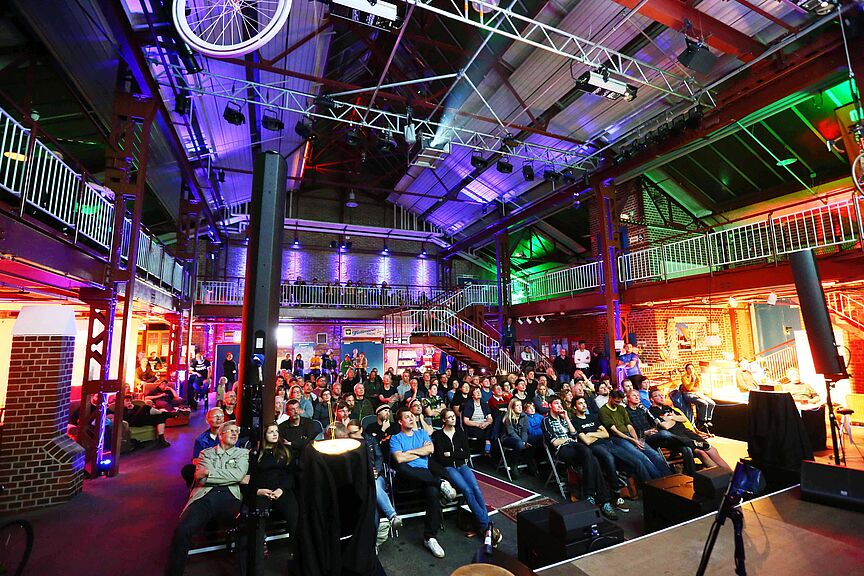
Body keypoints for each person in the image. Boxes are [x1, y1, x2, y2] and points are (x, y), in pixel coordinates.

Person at [165, 422, 248, 576]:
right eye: (230, 431)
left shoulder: (242, 454)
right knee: (182, 530)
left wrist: (209, 473)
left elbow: (238, 474)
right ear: (221, 435)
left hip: (229, 495)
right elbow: (201, 479)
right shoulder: (206, 453)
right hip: (204, 495)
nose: (235, 434)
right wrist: (233, 476)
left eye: (237, 432)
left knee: (245, 528)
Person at [390, 407, 457, 559]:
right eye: (407, 417)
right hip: (407, 479)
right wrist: (420, 451)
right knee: (402, 467)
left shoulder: (421, 433)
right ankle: (440, 484)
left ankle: (430, 538)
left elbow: (430, 449)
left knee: (432, 492)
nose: (411, 418)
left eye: (412, 416)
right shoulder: (396, 438)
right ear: (400, 421)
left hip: (425, 474)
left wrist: (409, 452)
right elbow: (399, 459)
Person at [542, 398, 618, 520]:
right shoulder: (546, 421)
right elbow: (555, 442)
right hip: (563, 449)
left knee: (593, 459)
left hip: (575, 446)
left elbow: (574, 434)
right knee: (589, 454)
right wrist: (569, 440)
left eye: (560, 403)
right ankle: (603, 500)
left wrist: (566, 417)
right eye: (556, 403)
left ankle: (592, 496)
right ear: (550, 406)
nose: (559, 405)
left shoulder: (564, 418)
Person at [432, 409, 495, 539]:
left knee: (476, 488)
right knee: (467, 490)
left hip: (462, 465)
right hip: (449, 468)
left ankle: (484, 524)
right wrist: (455, 455)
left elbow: (466, 453)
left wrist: (452, 454)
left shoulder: (460, 432)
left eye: (453, 417)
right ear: (443, 420)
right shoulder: (438, 435)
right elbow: (440, 458)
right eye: (449, 417)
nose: (453, 419)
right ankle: (486, 525)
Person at [571, 397, 630, 512]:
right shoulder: (575, 421)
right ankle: (617, 494)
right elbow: (586, 441)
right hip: (594, 447)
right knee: (609, 458)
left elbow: (606, 433)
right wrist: (597, 434)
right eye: (580, 403)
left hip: (606, 443)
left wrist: (590, 434)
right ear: (575, 407)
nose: (584, 405)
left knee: (626, 457)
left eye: (584, 403)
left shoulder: (592, 417)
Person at [649, 390, 731, 472]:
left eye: (661, 395)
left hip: (686, 431)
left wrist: (670, 418)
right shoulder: (652, 411)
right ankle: (722, 476)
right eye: (657, 396)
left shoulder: (668, 408)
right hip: (676, 436)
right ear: (651, 399)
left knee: (712, 449)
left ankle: (731, 473)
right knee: (701, 453)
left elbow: (684, 419)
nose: (661, 397)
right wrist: (675, 418)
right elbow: (665, 426)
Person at [599, 390, 671, 482]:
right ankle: (658, 482)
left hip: (630, 436)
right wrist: (632, 440)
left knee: (655, 455)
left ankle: (670, 479)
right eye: (616, 401)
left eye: (620, 402)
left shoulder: (621, 408)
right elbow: (615, 431)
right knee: (642, 458)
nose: (618, 404)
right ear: (610, 398)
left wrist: (636, 440)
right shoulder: (603, 411)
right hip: (618, 438)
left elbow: (629, 425)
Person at [624, 389, 697, 475]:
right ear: (628, 398)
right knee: (664, 434)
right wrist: (645, 433)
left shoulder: (643, 409)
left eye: (638, 395)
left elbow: (655, 422)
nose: (637, 397)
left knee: (686, 448)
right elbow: (630, 429)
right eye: (634, 395)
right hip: (642, 438)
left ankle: (692, 476)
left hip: (655, 435)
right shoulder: (625, 412)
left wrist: (654, 428)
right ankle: (669, 476)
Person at [346, 420, 401, 532]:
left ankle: (372, 539)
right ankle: (392, 516)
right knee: (372, 494)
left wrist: (375, 470)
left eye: (355, 432)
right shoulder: (347, 444)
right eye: (350, 433)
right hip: (360, 479)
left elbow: (379, 457)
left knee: (374, 486)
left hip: (376, 475)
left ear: (361, 429)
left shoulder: (370, 439)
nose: (353, 436)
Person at [251, 424, 299, 542]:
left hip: (282, 489)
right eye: (270, 432)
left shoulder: (286, 451)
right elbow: (252, 476)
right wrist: (258, 491)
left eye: (276, 431)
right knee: (258, 520)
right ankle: (259, 550)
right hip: (262, 491)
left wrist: (281, 489)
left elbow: (291, 474)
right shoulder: (255, 453)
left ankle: (295, 551)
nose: (274, 434)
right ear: (264, 435)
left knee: (294, 516)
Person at [502, 398, 537, 477]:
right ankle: (514, 463)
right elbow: (511, 432)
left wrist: (524, 441)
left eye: (520, 405)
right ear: (512, 407)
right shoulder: (508, 417)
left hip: (521, 438)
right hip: (508, 438)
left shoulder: (524, 416)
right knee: (518, 443)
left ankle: (528, 461)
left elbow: (524, 431)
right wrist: (522, 442)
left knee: (533, 441)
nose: (520, 407)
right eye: (517, 406)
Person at [680, 362, 716, 433]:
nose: (691, 370)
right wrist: (693, 380)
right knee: (703, 403)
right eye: (689, 369)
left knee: (712, 403)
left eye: (692, 368)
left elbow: (699, 387)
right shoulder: (684, 377)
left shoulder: (696, 376)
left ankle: (708, 419)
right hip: (688, 394)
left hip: (697, 393)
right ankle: (702, 420)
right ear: (686, 370)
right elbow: (689, 388)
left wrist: (700, 393)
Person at [461, 386, 493, 453]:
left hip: (485, 425)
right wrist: (478, 424)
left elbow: (490, 418)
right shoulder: (468, 404)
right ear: (472, 395)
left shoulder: (484, 404)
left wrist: (486, 423)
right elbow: (466, 421)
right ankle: (487, 443)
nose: (479, 392)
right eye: (476, 391)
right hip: (473, 426)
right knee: (487, 434)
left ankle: (488, 447)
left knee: (493, 428)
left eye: (479, 391)